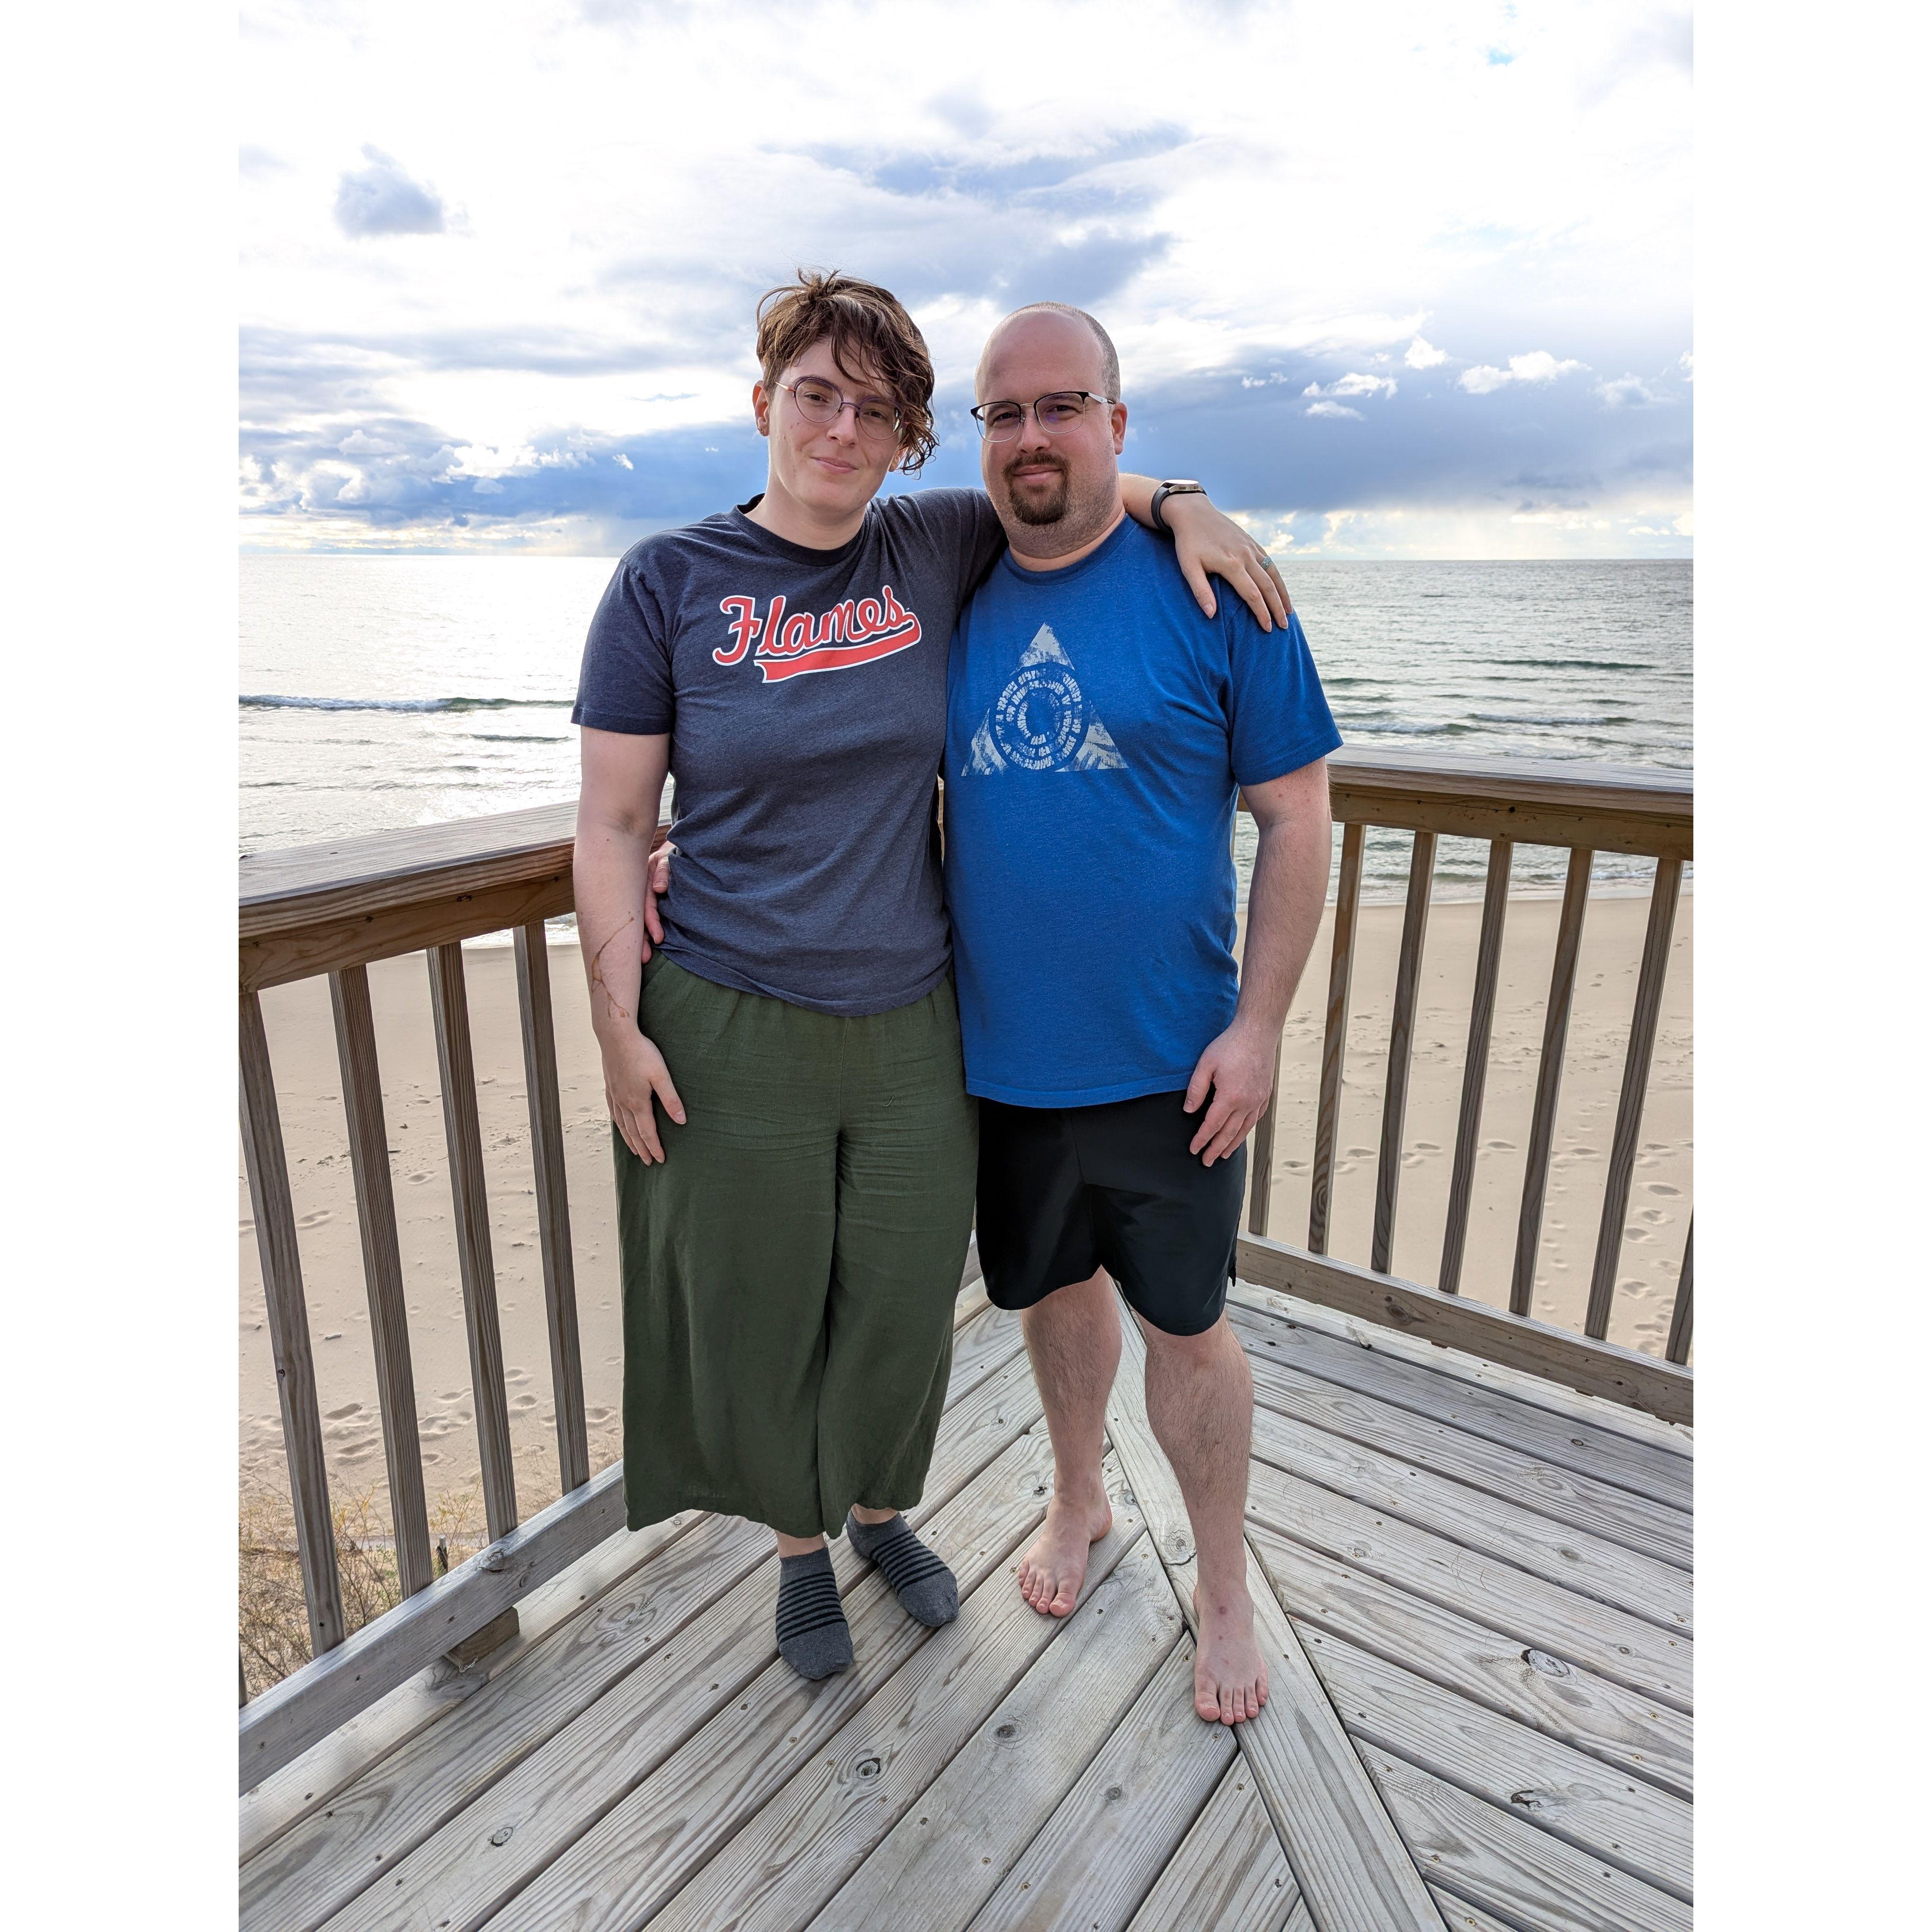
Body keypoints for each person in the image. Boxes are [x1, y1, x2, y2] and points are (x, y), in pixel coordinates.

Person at [571, 270, 1289, 1682]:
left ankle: (884, 1513)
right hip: (728, 1009)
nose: (841, 428)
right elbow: (607, 825)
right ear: (764, 401)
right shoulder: (667, 582)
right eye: (816, 395)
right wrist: (614, 1026)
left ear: (908, 438)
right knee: (768, 1299)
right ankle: (796, 1551)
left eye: (878, 409)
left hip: (915, 1014)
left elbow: (1069, 480)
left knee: (899, 1305)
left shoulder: (934, 544)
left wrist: (1188, 500)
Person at [942, 303, 1342, 1726]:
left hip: (1176, 1063)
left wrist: (1263, 1025)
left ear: (1119, 421)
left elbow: (1298, 818)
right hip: (999, 1065)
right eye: (1003, 413)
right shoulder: (949, 574)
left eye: (1063, 406)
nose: (1032, 437)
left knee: (1189, 1328)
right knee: (1052, 1300)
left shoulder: (1223, 594)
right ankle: (1076, 1500)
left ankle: (1224, 1587)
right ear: (978, 436)